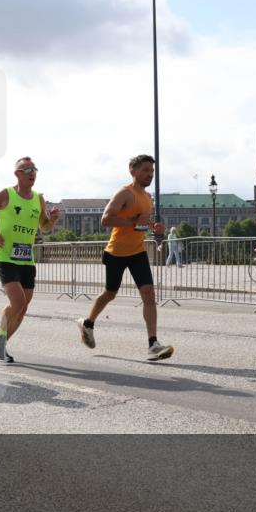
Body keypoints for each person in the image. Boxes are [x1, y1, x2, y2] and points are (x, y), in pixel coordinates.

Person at [78, 154, 174, 360]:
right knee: (110, 293)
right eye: (145, 170)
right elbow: (105, 220)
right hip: (116, 253)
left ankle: (153, 344)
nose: (150, 174)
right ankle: (88, 323)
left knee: (149, 295)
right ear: (133, 171)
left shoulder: (148, 198)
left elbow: (142, 222)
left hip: (137, 252)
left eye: (152, 171)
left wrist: (155, 228)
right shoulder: (124, 193)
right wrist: (133, 221)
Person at [0, 157, 61, 363]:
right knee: (18, 302)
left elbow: (44, 228)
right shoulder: (6, 194)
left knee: (23, 308)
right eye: (27, 170)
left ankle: (1, 344)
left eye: (35, 170)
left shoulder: (38, 198)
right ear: (17, 174)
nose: (32, 173)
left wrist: (52, 220)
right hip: (6, 256)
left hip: (27, 259)